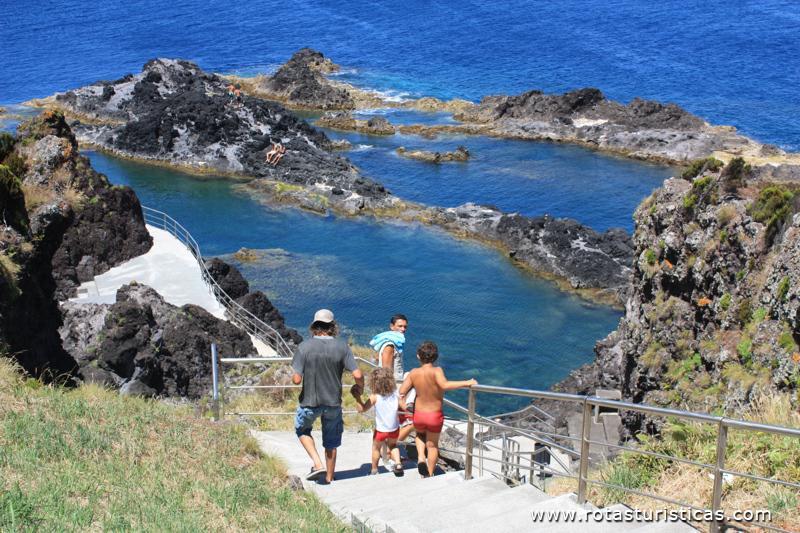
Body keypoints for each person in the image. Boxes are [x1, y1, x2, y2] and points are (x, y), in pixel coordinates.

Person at [292, 309, 364, 483]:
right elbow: (358, 374)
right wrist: (359, 388)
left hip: (310, 401)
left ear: (314, 327)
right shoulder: (342, 347)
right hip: (333, 402)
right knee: (331, 442)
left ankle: (317, 464)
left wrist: (298, 374)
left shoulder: (304, 347)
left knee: (302, 429)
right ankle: (330, 478)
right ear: (333, 326)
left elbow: (296, 380)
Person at [399, 341, 477, 478]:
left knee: (419, 435)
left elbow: (401, 392)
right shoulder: (437, 371)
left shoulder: (413, 373)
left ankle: (421, 457)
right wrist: (467, 382)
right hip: (434, 415)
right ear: (436, 357)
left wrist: (405, 407)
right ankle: (429, 474)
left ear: (418, 356)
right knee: (433, 445)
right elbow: (444, 385)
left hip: (419, 414)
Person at [351, 367, 405, 476]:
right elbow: (404, 407)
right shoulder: (395, 396)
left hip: (381, 430)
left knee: (376, 448)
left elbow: (362, 409)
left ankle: (374, 470)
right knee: (393, 446)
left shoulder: (375, 397)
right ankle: (398, 464)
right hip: (394, 428)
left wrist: (357, 398)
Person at [369, 314, 408, 382]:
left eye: (405, 327)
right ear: (392, 326)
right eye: (400, 326)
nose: (403, 329)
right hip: (393, 385)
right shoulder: (390, 345)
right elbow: (386, 372)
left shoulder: (395, 342)